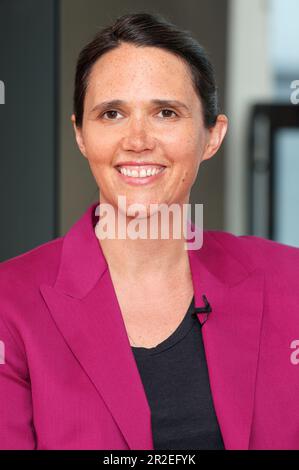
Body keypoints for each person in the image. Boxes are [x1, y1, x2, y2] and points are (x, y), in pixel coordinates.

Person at [0, 12, 299, 451]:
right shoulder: (9, 301)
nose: (138, 140)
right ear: (81, 135)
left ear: (212, 136)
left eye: (165, 112)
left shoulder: (290, 281)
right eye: (112, 113)